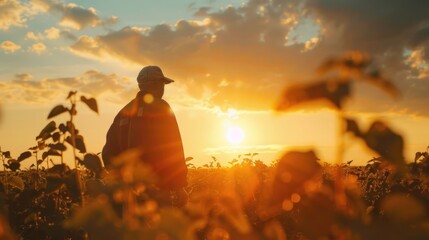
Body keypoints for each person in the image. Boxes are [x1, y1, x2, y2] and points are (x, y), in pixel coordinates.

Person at [102, 66, 188, 204]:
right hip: (157, 190)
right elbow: (173, 148)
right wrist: (179, 185)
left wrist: (120, 182)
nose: (163, 88)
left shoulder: (124, 111)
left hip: (129, 194)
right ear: (156, 85)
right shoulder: (161, 107)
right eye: (162, 84)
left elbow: (108, 152)